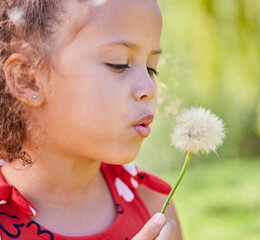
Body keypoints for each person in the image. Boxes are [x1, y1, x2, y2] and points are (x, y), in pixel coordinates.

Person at [0, 0, 182, 239]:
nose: (149, 88)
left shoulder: (156, 209)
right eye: (118, 64)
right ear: (27, 79)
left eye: (151, 69)